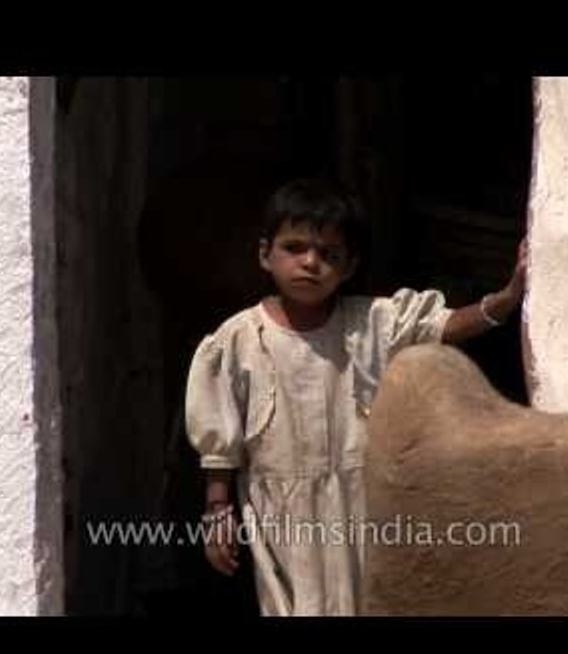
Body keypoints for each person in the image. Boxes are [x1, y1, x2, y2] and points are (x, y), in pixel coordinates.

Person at [184, 178, 527, 615]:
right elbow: (220, 441)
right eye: (295, 248)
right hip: (280, 513)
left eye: (329, 255)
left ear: (348, 267)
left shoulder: (372, 323)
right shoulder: (237, 340)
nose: (311, 263)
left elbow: (441, 326)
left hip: (360, 504)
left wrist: (507, 297)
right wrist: (218, 512)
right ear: (264, 253)